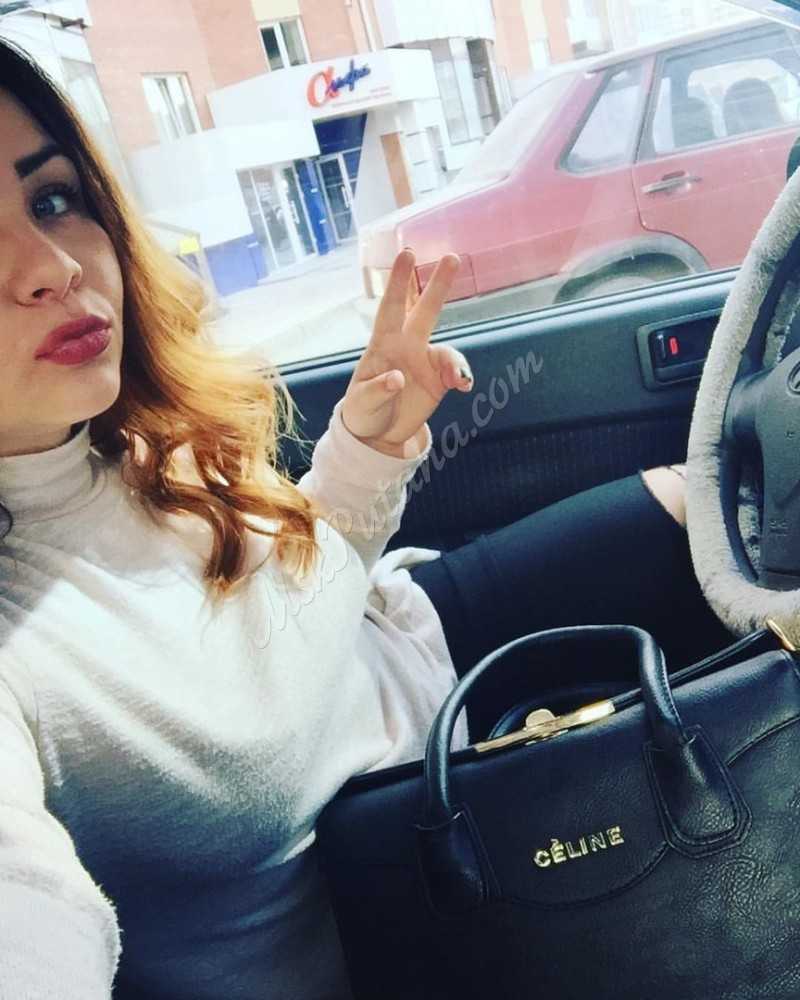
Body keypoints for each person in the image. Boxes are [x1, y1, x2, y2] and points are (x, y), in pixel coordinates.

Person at [0, 38, 733, 1000]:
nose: (53, 266)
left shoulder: (117, 437)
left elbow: (282, 608)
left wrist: (366, 445)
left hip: (401, 641)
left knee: (708, 502)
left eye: (51, 198)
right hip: (419, 876)